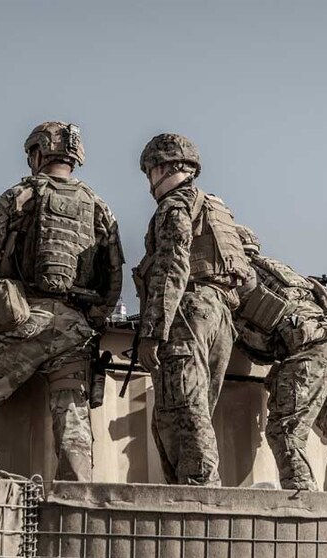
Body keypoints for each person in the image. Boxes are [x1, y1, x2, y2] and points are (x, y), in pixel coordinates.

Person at [0, 121, 123, 481]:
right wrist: (94, 318)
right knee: (72, 412)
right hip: (77, 330)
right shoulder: (99, 207)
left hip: (26, 319)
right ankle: (75, 492)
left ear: (38, 153)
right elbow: (114, 275)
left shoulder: (21, 196)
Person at [133, 133, 252, 486]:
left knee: (182, 412)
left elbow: (172, 266)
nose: (149, 181)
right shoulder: (216, 207)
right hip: (220, 313)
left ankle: (200, 495)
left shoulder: (174, 206)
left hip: (187, 311)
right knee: (194, 409)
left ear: (164, 167)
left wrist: (153, 331)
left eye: (151, 171)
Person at [233, 225, 327, 492]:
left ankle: (303, 496)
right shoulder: (279, 269)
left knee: (285, 428)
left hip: (311, 345)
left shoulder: (239, 272)